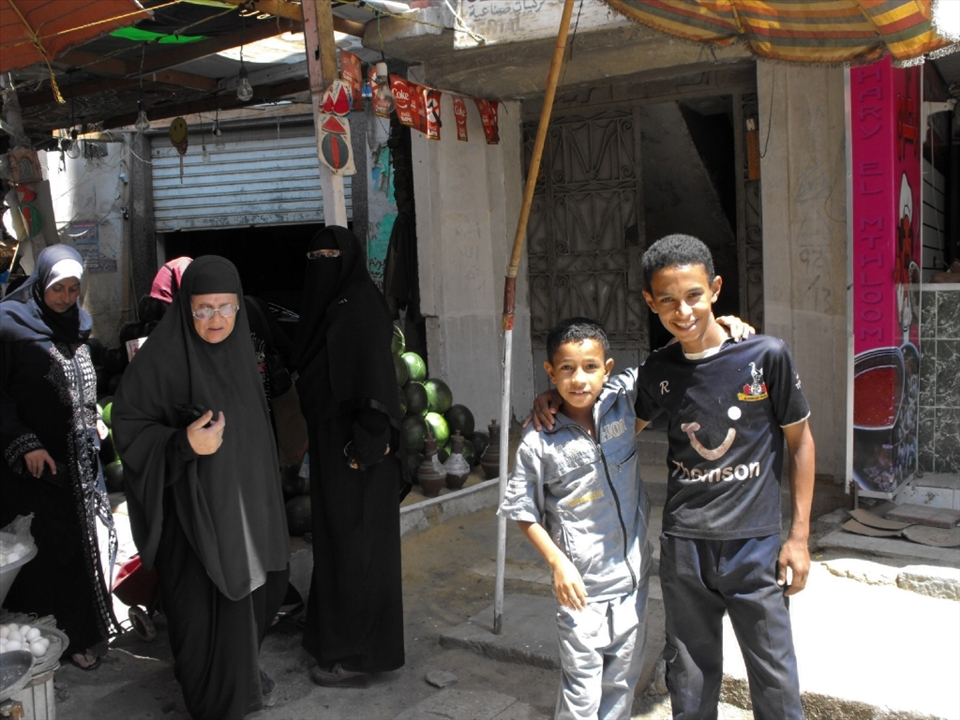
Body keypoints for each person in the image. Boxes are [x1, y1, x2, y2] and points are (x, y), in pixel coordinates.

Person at [112, 256, 290, 719]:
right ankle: (215, 704)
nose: (216, 320)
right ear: (185, 309)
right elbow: (129, 428)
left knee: (253, 601)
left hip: (245, 514)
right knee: (202, 620)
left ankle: (240, 687)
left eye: (226, 308)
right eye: (203, 309)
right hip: (193, 523)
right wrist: (182, 444)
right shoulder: (162, 359)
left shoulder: (239, 358)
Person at [500, 318, 651, 720]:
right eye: (566, 368)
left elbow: (676, 358)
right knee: (582, 689)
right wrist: (558, 564)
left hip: (633, 578)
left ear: (609, 368)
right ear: (550, 372)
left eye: (590, 367)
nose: (579, 378)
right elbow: (522, 510)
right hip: (581, 588)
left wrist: (722, 324)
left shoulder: (622, 401)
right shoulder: (538, 440)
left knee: (622, 681)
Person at [293, 225, 405, 686]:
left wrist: (368, 444)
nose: (322, 264)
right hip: (333, 446)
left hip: (358, 450)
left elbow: (375, 379)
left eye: (330, 256)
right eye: (314, 256)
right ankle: (330, 636)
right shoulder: (330, 308)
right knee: (337, 542)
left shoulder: (358, 307)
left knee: (357, 548)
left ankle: (358, 655)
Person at [0, 245, 120, 671]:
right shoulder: (9, 328)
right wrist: (24, 443)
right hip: (32, 470)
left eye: (73, 288)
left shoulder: (77, 326)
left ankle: (82, 634)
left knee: (79, 550)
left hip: (77, 466)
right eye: (58, 288)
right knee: (46, 555)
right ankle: (46, 639)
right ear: (40, 285)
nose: (66, 297)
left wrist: (92, 418)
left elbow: (80, 383)